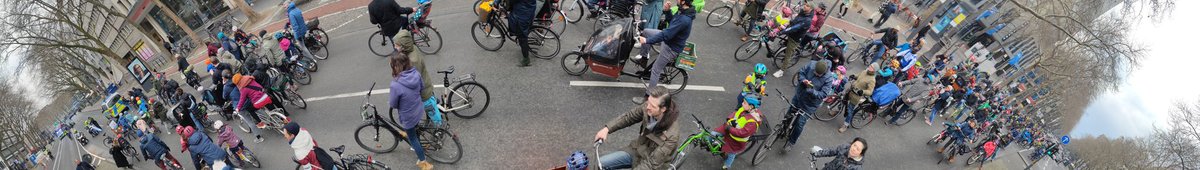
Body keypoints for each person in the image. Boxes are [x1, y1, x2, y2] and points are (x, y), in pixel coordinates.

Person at [595, 86, 679, 170]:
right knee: (600, 164)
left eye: (652, 106)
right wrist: (607, 129)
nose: (647, 107)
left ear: (663, 109)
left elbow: (652, 164)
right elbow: (629, 117)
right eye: (648, 102)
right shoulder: (649, 106)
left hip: (652, 164)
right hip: (637, 151)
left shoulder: (671, 135)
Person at [631, 0, 695, 104]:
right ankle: (643, 59)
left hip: (671, 47)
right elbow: (672, 21)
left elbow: (666, 35)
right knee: (647, 31)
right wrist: (667, 11)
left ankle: (647, 98)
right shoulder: (683, 12)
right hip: (670, 39)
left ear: (683, 1)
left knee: (656, 70)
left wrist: (647, 41)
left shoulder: (684, 19)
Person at [388, 49, 433, 170]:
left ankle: (423, 161)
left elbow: (393, 104)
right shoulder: (416, 73)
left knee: (412, 138)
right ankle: (415, 137)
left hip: (408, 115)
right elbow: (422, 87)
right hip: (418, 109)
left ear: (396, 66)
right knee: (414, 129)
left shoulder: (395, 85)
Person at [784, 59, 835, 151]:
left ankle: (791, 142)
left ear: (824, 73)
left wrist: (812, 91)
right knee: (789, 113)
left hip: (810, 104)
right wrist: (803, 80)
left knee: (799, 124)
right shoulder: (811, 64)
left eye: (818, 75)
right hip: (799, 96)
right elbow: (801, 72)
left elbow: (823, 94)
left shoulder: (829, 78)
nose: (816, 74)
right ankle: (783, 129)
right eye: (815, 72)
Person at [394, 31, 439, 119]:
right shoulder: (412, 48)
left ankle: (439, 126)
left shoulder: (413, 61)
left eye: (397, 45)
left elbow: (414, 81)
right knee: (430, 105)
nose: (395, 47)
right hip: (425, 81)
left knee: (431, 110)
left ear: (404, 46)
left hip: (423, 91)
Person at [713, 94, 763, 169]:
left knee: (731, 153)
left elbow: (742, 133)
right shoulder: (744, 109)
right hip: (730, 128)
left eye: (745, 103)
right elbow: (735, 114)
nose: (742, 103)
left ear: (751, 107)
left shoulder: (752, 122)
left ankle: (727, 166)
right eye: (743, 102)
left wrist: (729, 128)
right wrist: (729, 119)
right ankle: (720, 149)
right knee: (713, 133)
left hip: (736, 140)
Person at [840, 63, 876, 133]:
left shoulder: (872, 80)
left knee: (850, 110)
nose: (869, 66)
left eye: (871, 67)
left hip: (856, 96)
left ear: (874, 70)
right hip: (851, 90)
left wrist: (863, 91)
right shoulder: (864, 71)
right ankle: (837, 111)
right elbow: (858, 76)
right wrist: (854, 76)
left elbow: (870, 91)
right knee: (843, 100)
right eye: (870, 65)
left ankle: (845, 125)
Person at [777, 4, 813, 74]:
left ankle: (782, 70)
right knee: (784, 44)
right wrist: (788, 23)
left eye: (807, 6)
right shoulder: (803, 12)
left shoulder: (807, 20)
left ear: (811, 9)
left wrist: (783, 31)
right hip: (791, 33)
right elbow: (795, 20)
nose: (805, 6)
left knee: (788, 55)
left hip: (795, 38)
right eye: (805, 5)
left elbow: (795, 27)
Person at [506, 0, 538, 66]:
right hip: (529, 11)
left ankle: (526, 60)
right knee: (525, 32)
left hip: (522, 16)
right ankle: (527, 48)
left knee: (522, 37)